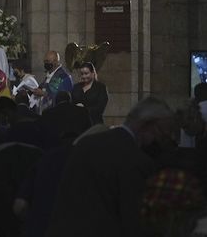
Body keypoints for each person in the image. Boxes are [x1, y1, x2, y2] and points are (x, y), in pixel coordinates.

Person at [46, 96, 178, 237]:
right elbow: (134, 221)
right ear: (147, 124)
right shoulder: (136, 160)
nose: (162, 141)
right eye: (163, 134)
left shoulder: (86, 143)